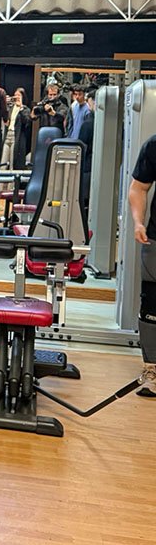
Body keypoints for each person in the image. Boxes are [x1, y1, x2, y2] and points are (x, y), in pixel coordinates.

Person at [125, 134, 156, 398]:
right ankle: (153, 371)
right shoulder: (155, 144)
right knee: (152, 305)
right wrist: (138, 221)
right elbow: (139, 187)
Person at [0, 87, 31, 171]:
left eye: (19, 95)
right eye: (15, 95)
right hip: (7, 136)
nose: (16, 97)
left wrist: (21, 107)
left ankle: (12, 184)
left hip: (16, 137)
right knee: (3, 163)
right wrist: (4, 102)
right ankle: (1, 184)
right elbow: (4, 117)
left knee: (13, 163)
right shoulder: (10, 108)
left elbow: (27, 122)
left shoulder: (25, 109)